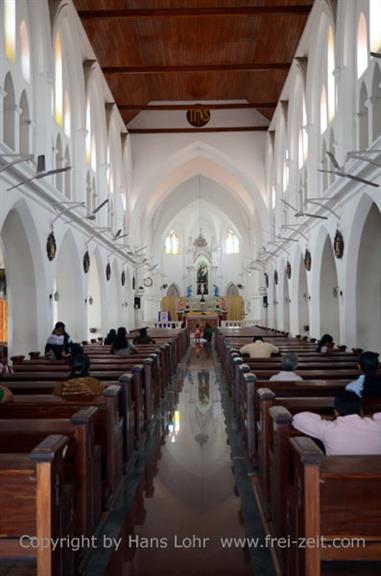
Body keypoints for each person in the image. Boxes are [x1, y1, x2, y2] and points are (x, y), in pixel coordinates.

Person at [292, 390, 381, 455]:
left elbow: (298, 418)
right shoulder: (377, 427)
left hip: (338, 479)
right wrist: (372, 417)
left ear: (336, 412)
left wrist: (327, 418)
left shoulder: (327, 429)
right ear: (361, 411)